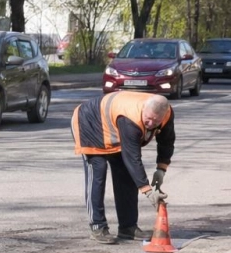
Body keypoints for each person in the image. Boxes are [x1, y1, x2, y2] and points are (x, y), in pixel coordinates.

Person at [71, 91, 173, 244]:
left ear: (163, 115)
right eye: (149, 118)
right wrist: (147, 191)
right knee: (98, 172)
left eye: (156, 121)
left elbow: (167, 142)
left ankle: (128, 227)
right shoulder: (130, 118)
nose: (151, 124)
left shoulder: (166, 114)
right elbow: (132, 158)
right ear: (144, 108)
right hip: (89, 122)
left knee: (125, 175)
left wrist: (160, 171)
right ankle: (98, 226)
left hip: (112, 126)